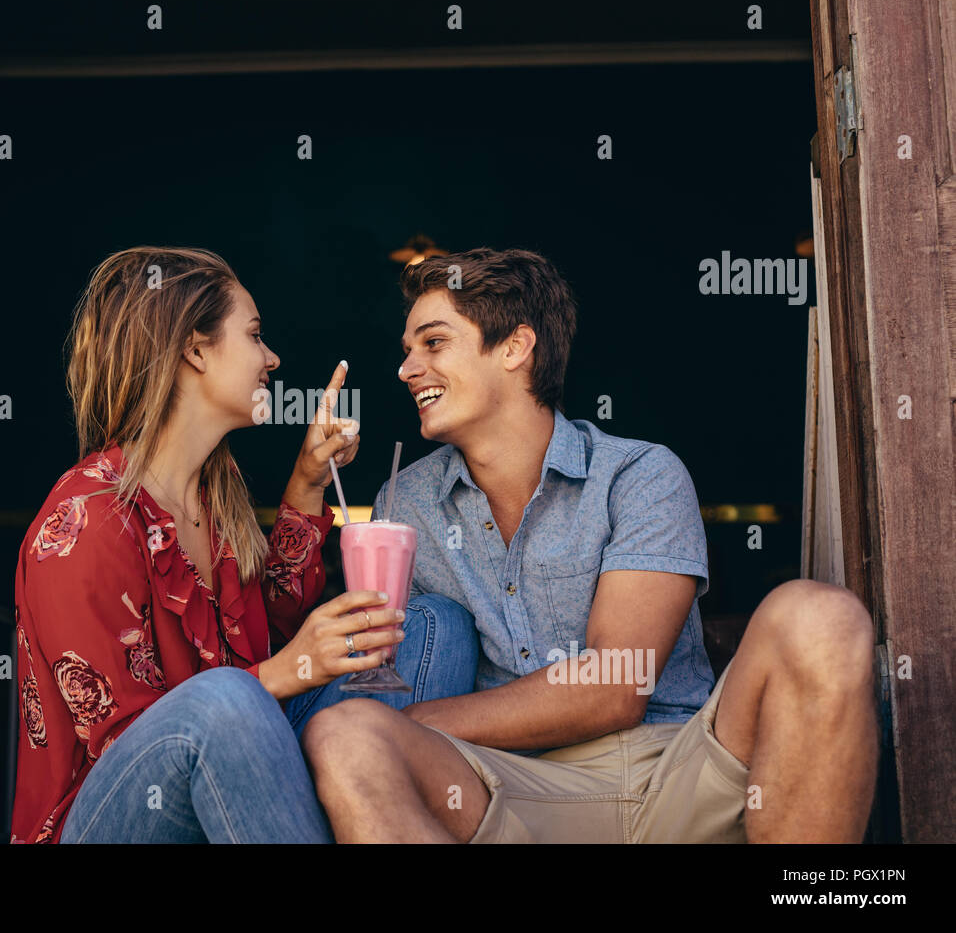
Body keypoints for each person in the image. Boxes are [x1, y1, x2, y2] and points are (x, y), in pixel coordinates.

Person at [300, 247, 879, 843]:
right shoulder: (405, 505)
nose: (407, 368)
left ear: (514, 348)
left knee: (821, 617)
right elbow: (370, 658)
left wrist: (417, 724)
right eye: (407, 350)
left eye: (434, 343)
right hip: (513, 791)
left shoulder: (639, 475)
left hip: (675, 777)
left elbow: (615, 687)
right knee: (345, 734)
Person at [9, 246, 479, 843]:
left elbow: (273, 628)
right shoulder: (86, 524)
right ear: (196, 350)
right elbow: (137, 744)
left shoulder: (214, 493)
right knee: (226, 702)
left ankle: (375, 815)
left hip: (240, 764)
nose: (272, 358)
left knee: (431, 624)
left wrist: (307, 482)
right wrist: (284, 673)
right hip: (114, 818)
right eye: (255, 336)